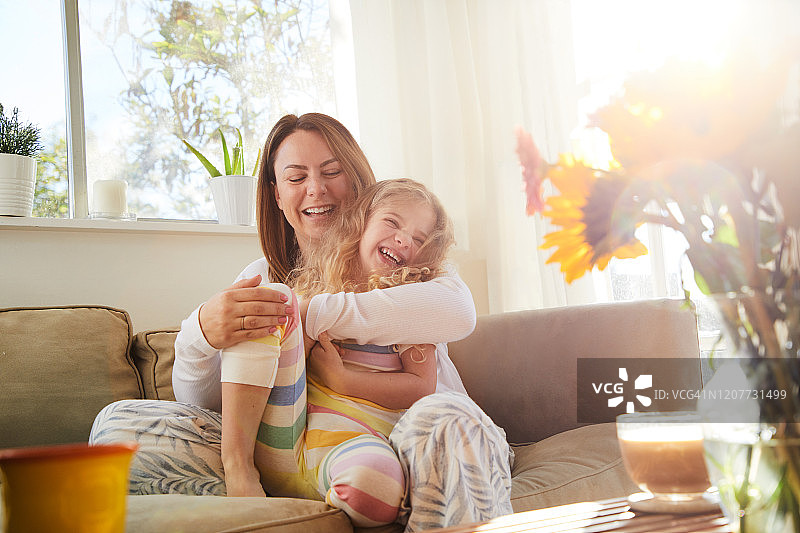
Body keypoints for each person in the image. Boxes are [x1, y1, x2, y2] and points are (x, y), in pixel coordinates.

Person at [89, 113, 512, 531]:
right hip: (297, 444)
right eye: (296, 178)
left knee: (450, 421)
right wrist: (200, 334)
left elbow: (460, 312)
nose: (316, 189)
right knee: (118, 429)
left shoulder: (416, 265)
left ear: (360, 185)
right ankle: (272, 482)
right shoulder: (264, 276)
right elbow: (206, 407)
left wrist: (305, 312)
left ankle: (371, 485)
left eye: (332, 172)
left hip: (410, 434)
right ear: (275, 194)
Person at [221, 179, 454, 527]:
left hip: (355, 444)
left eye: (419, 240)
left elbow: (421, 386)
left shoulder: (409, 302)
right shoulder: (320, 282)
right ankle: (238, 470)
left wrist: (341, 379)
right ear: (361, 222)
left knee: (378, 485)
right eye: (392, 223)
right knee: (269, 303)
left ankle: (321, 498)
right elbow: (288, 355)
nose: (404, 239)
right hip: (288, 437)